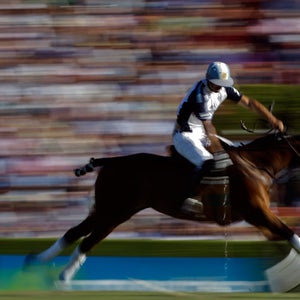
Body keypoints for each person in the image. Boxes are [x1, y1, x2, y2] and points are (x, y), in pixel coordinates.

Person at [173, 61, 284, 213]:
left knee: (237, 152)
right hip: (185, 135)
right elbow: (208, 128)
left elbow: (250, 102)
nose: (220, 87)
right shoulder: (200, 96)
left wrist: (272, 119)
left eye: (222, 84)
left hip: (201, 131)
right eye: (216, 84)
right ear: (208, 79)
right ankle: (188, 198)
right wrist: (218, 150)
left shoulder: (225, 88)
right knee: (208, 162)